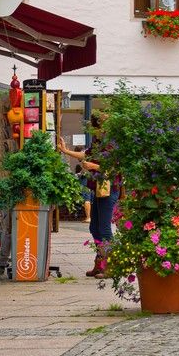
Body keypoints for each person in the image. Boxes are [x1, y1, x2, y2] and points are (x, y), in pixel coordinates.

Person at [57, 114, 113, 277]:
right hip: (98, 188)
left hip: (109, 189)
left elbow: (115, 167)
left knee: (104, 228)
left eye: (96, 128)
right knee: (94, 227)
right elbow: (86, 155)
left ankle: (110, 266)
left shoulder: (111, 144)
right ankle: (100, 262)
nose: (95, 132)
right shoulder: (98, 142)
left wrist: (93, 166)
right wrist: (65, 150)